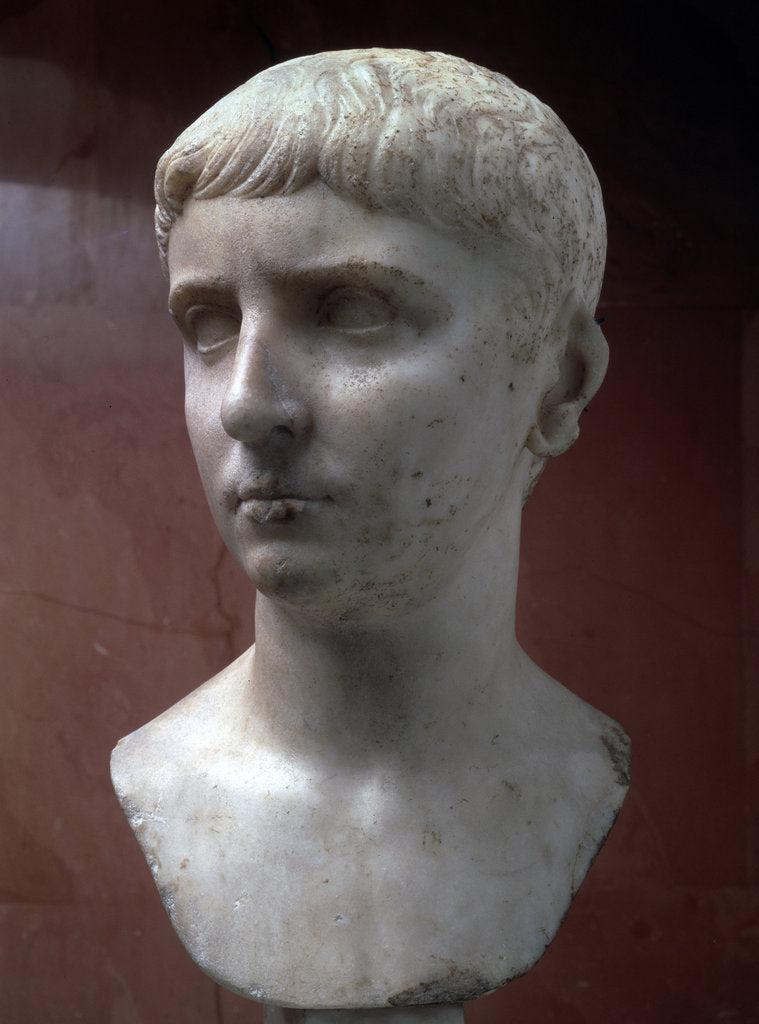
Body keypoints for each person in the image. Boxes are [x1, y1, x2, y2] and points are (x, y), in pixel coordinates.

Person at [112, 48, 630, 1012]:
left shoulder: (580, 774)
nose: (247, 405)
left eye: (351, 310)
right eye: (209, 324)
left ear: (558, 388)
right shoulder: (161, 776)